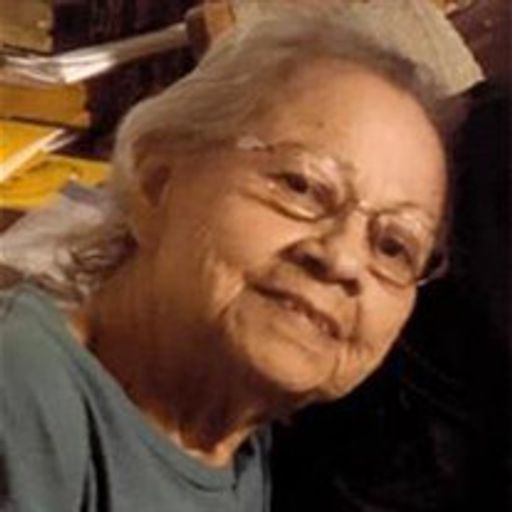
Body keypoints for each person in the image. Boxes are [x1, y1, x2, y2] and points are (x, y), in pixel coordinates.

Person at [1, 5, 461, 511]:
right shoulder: (21, 393)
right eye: (302, 186)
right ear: (157, 182)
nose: (343, 260)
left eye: (394, 247)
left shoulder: (230, 445)